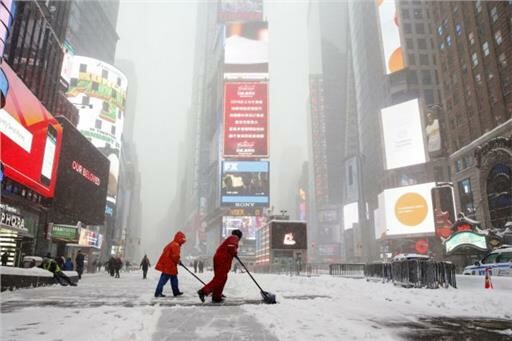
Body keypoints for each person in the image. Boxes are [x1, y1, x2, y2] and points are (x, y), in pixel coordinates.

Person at [197, 229, 242, 303]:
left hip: (221, 259)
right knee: (220, 278)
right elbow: (231, 246)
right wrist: (234, 253)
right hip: (222, 259)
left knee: (222, 278)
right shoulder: (234, 237)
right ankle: (203, 291)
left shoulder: (230, 238)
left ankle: (216, 296)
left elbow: (230, 247)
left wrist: (234, 253)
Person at [154, 231, 186, 297]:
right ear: (179, 239)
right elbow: (175, 256)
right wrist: (178, 261)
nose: (182, 243)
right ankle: (158, 293)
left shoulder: (172, 243)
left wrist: (177, 261)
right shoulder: (175, 245)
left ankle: (176, 292)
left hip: (169, 264)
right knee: (163, 280)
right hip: (169, 266)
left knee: (174, 279)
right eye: (182, 241)